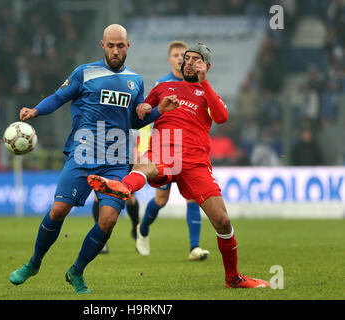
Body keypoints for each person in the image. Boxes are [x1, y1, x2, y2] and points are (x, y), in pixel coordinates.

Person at [8, 24, 178, 294]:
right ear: (102, 45)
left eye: (120, 45)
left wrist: (157, 110)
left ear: (128, 46)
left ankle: (76, 271)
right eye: (110, 45)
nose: (115, 50)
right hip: (83, 154)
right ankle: (34, 263)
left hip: (116, 160)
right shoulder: (84, 72)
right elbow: (59, 97)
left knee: (108, 220)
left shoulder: (135, 80)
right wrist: (35, 111)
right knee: (58, 211)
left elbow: (133, 120)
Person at [88, 42, 270, 288]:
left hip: (196, 161)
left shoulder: (208, 93)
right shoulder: (163, 87)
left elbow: (222, 117)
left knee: (223, 221)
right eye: (187, 59)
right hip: (165, 147)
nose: (189, 63)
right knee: (146, 165)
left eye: (195, 59)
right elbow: (139, 113)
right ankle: (122, 187)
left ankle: (233, 278)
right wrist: (142, 107)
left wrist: (204, 83)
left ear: (206, 66)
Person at [139, 40, 209, 261]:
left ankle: (194, 248)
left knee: (193, 198)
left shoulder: (198, 84)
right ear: (170, 59)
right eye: (177, 55)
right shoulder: (162, 84)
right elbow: (149, 112)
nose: (181, 58)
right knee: (161, 199)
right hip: (165, 144)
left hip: (188, 148)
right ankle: (142, 229)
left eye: (184, 55)